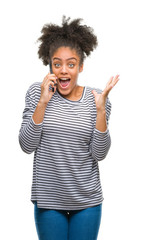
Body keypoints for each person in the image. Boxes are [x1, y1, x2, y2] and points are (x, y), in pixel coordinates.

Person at [19, 16, 119, 240]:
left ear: (81, 66)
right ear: (50, 65)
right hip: (49, 200)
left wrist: (101, 111)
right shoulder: (37, 92)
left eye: (71, 64)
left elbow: (100, 154)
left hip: (87, 202)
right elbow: (26, 145)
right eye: (57, 64)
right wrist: (44, 101)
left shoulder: (97, 98)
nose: (64, 71)